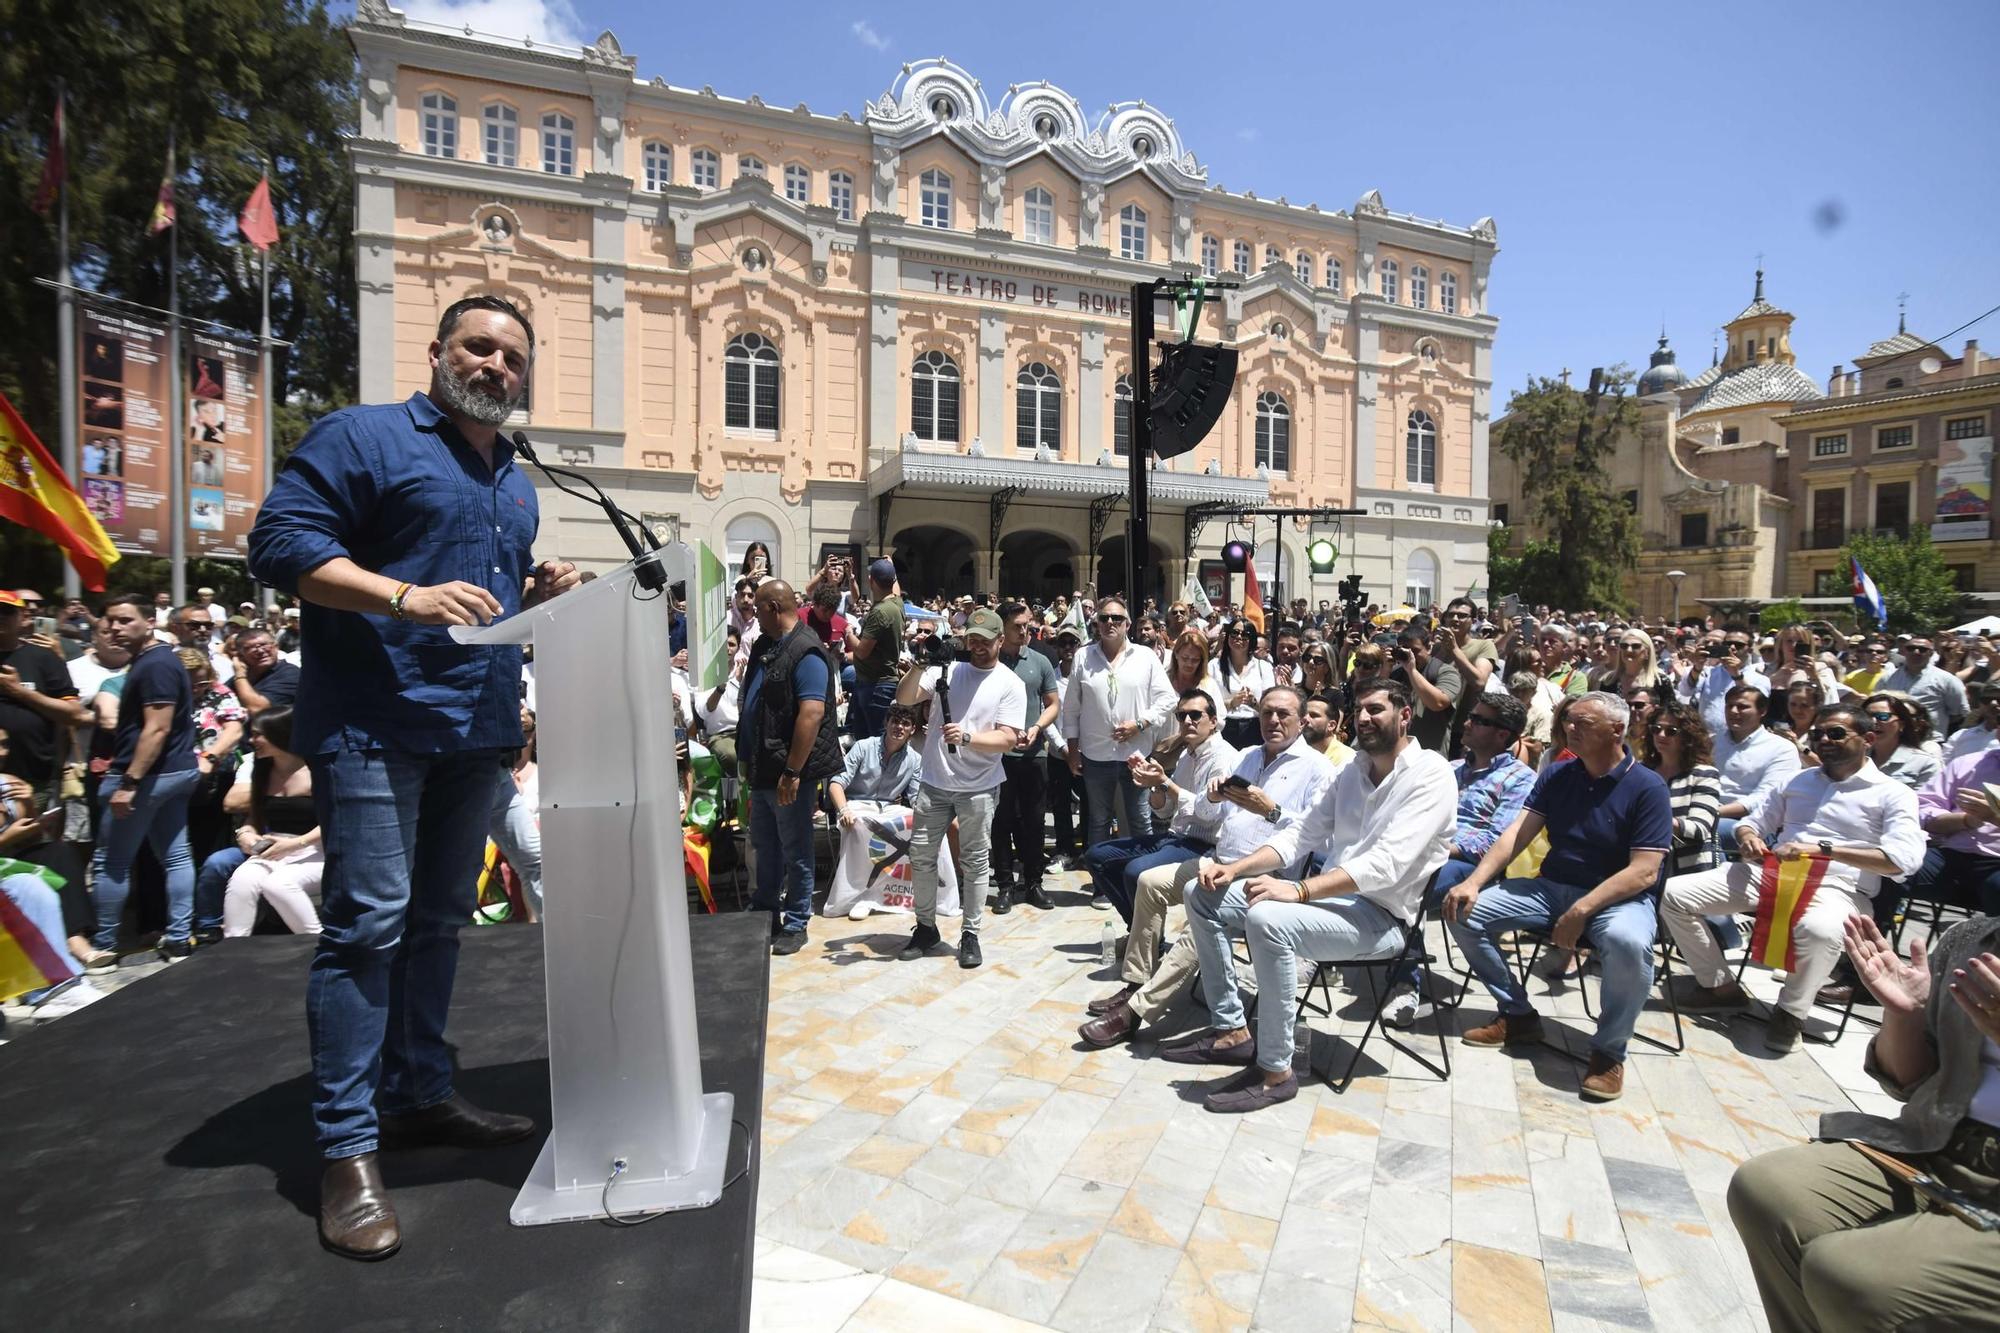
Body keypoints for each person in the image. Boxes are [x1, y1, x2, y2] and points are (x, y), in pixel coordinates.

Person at [247, 293, 579, 1261]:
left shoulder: (514, 478)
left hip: (473, 733)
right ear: (437, 353)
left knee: (439, 924)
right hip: (373, 728)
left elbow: (477, 604)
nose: (495, 368)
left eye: (513, 358)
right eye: (478, 348)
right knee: (367, 929)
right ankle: (347, 1149)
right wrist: (402, 594)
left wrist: (533, 592)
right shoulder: (364, 436)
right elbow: (281, 545)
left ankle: (421, 1093)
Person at [1156, 679, 1455, 1113]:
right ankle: (1231, 1031)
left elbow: (1386, 865)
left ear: (1404, 715)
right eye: (1361, 710)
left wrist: (1298, 889)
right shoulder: (1354, 770)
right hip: (1332, 903)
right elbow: (1302, 833)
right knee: (1200, 894)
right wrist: (1234, 869)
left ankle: (1276, 1071)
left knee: (1267, 919)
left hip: (1383, 920)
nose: (1366, 719)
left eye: (1376, 710)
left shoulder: (1431, 774)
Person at [1726, 913, 2000, 1332]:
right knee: (1766, 1189)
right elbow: (1912, 1083)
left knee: (1849, 1275)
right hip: (1939, 1146)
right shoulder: (1974, 939)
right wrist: (1904, 1015)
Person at [1443, 692, 1675, 1102]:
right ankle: (1517, 1013)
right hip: (1552, 888)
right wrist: (1474, 882)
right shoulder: (1559, 774)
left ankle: (1608, 1051)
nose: (1570, 728)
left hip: (1616, 898)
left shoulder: (1647, 787)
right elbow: (1517, 832)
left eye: (1583, 723)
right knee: (1465, 911)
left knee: (1629, 942)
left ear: (1617, 731)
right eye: (1568, 720)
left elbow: (1644, 870)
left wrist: (1582, 910)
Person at [1078, 684, 1332, 1049]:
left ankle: (1135, 1011)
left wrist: (1271, 810)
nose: (1273, 720)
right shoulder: (1246, 757)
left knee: (1200, 902)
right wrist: (1211, 797)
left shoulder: (1318, 769)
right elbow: (1209, 815)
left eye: (1283, 714)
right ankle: (1138, 980)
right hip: (1218, 860)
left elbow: (1317, 839)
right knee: (1148, 882)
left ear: (1302, 720)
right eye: (1266, 713)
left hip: (1266, 878)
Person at [1662, 702, 1925, 1050]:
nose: (1824, 740)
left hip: (1838, 886)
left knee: (1820, 929)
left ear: (1869, 739)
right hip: (1772, 874)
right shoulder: (1797, 781)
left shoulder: (1893, 793)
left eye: (1836, 733)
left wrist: (1826, 850)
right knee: (1673, 894)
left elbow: (1903, 860)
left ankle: (1790, 1013)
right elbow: (1751, 822)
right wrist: (1750, 838)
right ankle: (1719, 985)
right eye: (1817, 734)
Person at [1381, 692, 1536, 1027]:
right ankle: (1328, 949)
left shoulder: (1519, 779)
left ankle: (1405, 983)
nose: (1467, 722)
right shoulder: (1448, 769)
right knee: (1343, 863)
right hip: (1422, 852)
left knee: (1409, 885)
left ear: (1503, 734)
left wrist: (1432, 846)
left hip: (1471, 866)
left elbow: (1494, 840)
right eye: (1471, 716)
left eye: (1479, 720)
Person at [895, 607, 1025, 969]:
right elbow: (905, 699)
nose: (978, 647)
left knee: (974, 860)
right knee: (920, 854)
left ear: (1001, 640)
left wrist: (967, 738)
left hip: (979, 787)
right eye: (972, 640)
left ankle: (970, 933)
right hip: (935, 782)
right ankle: (925, 927)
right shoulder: (947, 669)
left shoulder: (1009, 684)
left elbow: (1008, 739)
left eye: (985, 641)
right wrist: (920, 664)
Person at [83, 596, 201, 969]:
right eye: (110, 621)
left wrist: (129, 782)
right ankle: (179, 937)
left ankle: (104, 944)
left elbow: (158, 728)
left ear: (150, 621)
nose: (115, 628)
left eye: (124, 620)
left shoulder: (156, 665)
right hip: (171, 774)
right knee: (176, 856)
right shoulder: (157, 661)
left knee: (112, 862)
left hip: (148, 777)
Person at [739, 580, 840, 956]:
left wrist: (793, 772)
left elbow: (812, 714)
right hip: (764, 767)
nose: (752, 612)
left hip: (787, 773)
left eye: (758, 607)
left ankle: (796, 920)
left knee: (796, 846)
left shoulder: (807, 651)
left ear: (774, 607)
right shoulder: (767, 645)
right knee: (765, 843)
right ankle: (767, 907)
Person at [1078, 688, 1237, 925]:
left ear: (1213, 721)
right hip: (1175, 838)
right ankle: (1140, 933)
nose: (1187, 721)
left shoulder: (1224, 758)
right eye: (1181, 716)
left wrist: (1165, 782)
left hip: (1204, 845)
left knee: (1135, 871)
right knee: (1096, 856)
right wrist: (1153, 784)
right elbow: (1164, 811)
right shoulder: (1186, 755)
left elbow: (1208, 813)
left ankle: (1146, 940)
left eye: (1195, 715)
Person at [1062, 596, 1176, 904]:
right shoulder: (1083, 659)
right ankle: (1102, 885)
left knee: (1139, 820)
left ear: (1128, 624)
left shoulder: (1145, 657)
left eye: (1116, 618)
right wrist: (1073, 749)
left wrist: (1140, 723)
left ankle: (1141, 883)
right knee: (1097, 821)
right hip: (1096, 756)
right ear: (1096, 624)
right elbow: (1070, 709)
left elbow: (1168, 700)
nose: (1110, 623)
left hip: (1135, 756)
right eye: (1104, 618)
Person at [214, 707, 324, 938]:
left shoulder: (319, 771)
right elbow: (255, 816)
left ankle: (316, 943)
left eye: (257, 734)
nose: (252, 740)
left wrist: (296, 844)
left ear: (280, 734)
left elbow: (337, 821)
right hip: (275, 852)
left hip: (318, 851)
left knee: (279, 885)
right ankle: (233, 947)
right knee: (242, 880)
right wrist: (245, 833)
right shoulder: (262, 769)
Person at [991, 601, 1062, 914]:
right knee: (1001, 820)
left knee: (1034, 821)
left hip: (1033, 755)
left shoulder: (1040, 661)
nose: (1025, 631)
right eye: (1017, 626)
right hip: (997, 756)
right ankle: (1005, 885)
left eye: (1028, 624)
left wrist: (1037, 728)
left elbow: (1053, 703)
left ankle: (1033, 882)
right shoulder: (990, 662)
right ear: (1002, 628)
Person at [1896, 743, 2000, 919]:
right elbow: (1923, 811)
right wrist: (1967, 820)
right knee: (1890, 870)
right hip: (1950, 856)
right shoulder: (1967, 763)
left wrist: (1993, 817)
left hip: (1996, 865)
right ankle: (1867, 940)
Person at [0, 590, 88, 795]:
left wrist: (20, 692)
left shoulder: (45, 658)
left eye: (6, 611)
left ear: (22, 618)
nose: (0, 616)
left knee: (32, 827)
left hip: (32, 778)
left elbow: (73, 714)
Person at [1714, 685, 1802, 853]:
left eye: (1742, 707)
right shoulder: (1712, 741)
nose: (1733, 711)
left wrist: (1715, 812)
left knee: (1703, 832)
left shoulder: (1781, 748)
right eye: (1729, 706)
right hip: (1706, 810)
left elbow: (1765, 798)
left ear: (1762, 711)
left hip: (1749, 823)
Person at [828, 702, 922, 818]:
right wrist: (844, 811)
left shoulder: (915, 760)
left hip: (890, 809)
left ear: (912, 730)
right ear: (886, 723)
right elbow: (836, 783)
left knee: (917, 823)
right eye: (895, 721)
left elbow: (916, 797)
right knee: (856, 826)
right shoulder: (863, 747)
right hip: (856, 806)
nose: (900, 727)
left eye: (906, 724)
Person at [845, 559, 904, 741]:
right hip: (879, 684)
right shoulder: (897, 603)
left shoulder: (880, 612)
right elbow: (896, 589)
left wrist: (848, 634)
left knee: (875, 742)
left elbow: (862, 651)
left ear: (871, 581)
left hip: (875, 686)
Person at [1681, 625, 1769, 741]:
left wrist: (1736, 675)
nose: (1732, 647)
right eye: (1728, 644)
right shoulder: (1709, 672)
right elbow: (1686, 691)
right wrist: (1697, 666)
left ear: (1750, 649)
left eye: (1739, 645)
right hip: (1708, 738)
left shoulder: (1760, 679)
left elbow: (1757, 704)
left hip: (1742, 738)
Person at [1392, 623, 1463, 754]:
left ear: (1429, 647)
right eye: (1404, 651)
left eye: (1415, 651)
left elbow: (1438, 703)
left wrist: (1412, 671)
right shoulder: (1395, 673)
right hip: (1398, 753)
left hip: (1430, 753)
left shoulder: (1445, 671)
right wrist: (1385, 668)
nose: (1410, 655)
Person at [1881, 636, 1969, 741]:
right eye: (1911, 648)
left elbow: (1958, 713)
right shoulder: (1888, 677)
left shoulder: (1946, 679)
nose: (1916, 652)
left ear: (1931, 653)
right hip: (1894, 738)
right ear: (1904, 651)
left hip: (1930, 740)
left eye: (1922, 649)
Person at [1211, 621, 1273, 749]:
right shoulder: (1213, 666)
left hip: (1254, 728)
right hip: (1224, 728)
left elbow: (1271, 705)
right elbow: (1208, 704)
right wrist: (1231, 703)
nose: (1239, 637)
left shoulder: (1264, 667)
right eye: (1234, 633)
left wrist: (1254, 703)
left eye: (1245, 635)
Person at [1862, 691, 1942, 791]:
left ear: (1901, 725)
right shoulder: (1853, 758)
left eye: (1882, 716)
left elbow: (1927, 803)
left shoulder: (1926, 763)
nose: (1873, 722)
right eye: (1866, 716)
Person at [694, 626, 743, 779]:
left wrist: (741, 683)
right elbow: (705, 711)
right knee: (732, 756)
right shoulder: (705, 675)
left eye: (731, 644)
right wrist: (720, 688)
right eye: (723, 644)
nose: (727, 649)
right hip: (721, 735)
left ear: (738, 648)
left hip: (744, 732)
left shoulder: (744, 671)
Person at [227, 627, 300, 714]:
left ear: (276, 647)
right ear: (240, 655)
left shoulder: (291, 674)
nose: (260, 651)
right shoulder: (243, 676)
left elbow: (257, 709)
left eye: (264, 645)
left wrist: (239, 675)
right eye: (250, 648)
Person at [1942, 680, 2000, 763]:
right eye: (1986, 699)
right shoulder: (1959, 737)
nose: (1993, 703)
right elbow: (1945, 769)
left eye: (1999, 699)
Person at [1300, 691, 1354, 767]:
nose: (1306, 719)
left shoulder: (1348, 761)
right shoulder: (1294, 754)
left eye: (1314, 715)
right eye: (1303, 714)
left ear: (1331, 725)